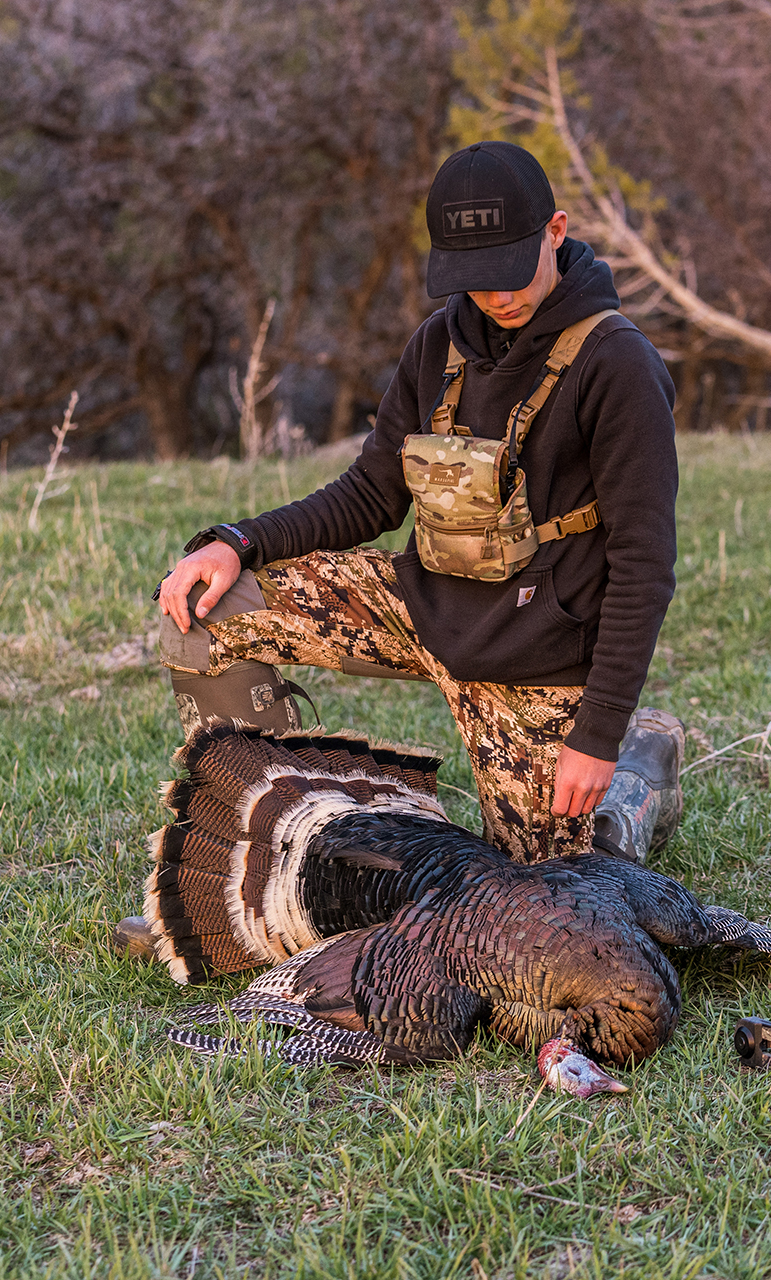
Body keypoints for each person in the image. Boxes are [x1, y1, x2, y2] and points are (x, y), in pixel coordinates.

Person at [135, 141, 682, 927]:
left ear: (556, 231)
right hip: (423, 604)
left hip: (539, 656)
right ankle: (262, 857)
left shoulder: (617, 363)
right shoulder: (438, 343)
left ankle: (635, 782)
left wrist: (596, 735)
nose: (494, 293)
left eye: (510, 266)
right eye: (473, 274)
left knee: (548, 909)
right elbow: (369, 496)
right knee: (212, 605)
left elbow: (643, 565)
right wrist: (235, 543)